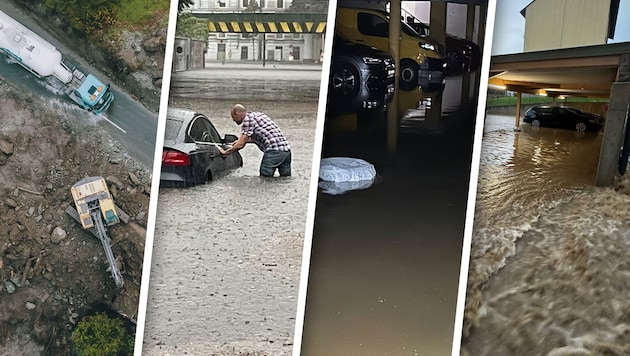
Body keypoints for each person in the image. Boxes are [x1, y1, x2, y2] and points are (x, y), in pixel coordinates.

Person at [217, 104, 291, 177]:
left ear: (237, 114)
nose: (233, 120)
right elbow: (264, 135)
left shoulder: (247, 120)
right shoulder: (258, 115)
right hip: (286, 151)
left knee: (265, 178)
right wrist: (241, 141)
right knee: (285, 178)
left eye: (233, 117)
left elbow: (240, 145)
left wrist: (225, 152)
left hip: (274, 151)